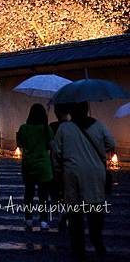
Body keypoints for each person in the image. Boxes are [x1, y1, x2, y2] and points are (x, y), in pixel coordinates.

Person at [52, 102, 115, 259]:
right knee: (95, 208)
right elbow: (111, 144)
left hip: (72, 174)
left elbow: (56, 154)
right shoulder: (98, 125)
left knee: (75, 214)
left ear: (71, 111)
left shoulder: (64, 128)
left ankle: (78, 248)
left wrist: (58, 172)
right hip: (95, 174)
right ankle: (97, 241)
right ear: (87, 110)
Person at [16, 103, 54, 231]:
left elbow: (20, 143)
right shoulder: (46, 129)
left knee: (29, 194)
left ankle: (28, 219)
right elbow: (50, 145)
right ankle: (43, 221)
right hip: (43, 165)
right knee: (43, 195)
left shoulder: (24, 128)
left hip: (28, 164)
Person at [49, 103, 70, 231]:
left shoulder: (52, 126)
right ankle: (67, 212)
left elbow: (49, 144)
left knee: (56, 191)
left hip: (55, 163)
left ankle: (60, 212)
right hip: (69, 162)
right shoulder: (73, 127)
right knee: (69, 190)